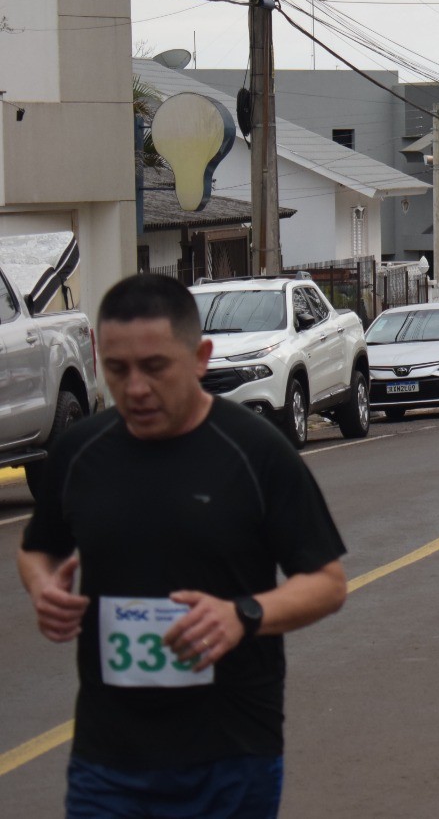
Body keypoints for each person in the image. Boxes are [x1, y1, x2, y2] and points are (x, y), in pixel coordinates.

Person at [17, 273, 347, 819]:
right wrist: (43, 585)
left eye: (155, 367)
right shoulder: (78, 453)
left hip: (230, 754)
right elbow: (39, 548)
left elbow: (327, 583)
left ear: (199, 357)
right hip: (108, 759)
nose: (136, 388)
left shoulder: (256, 451)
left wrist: (242, 614)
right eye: (117, 370)